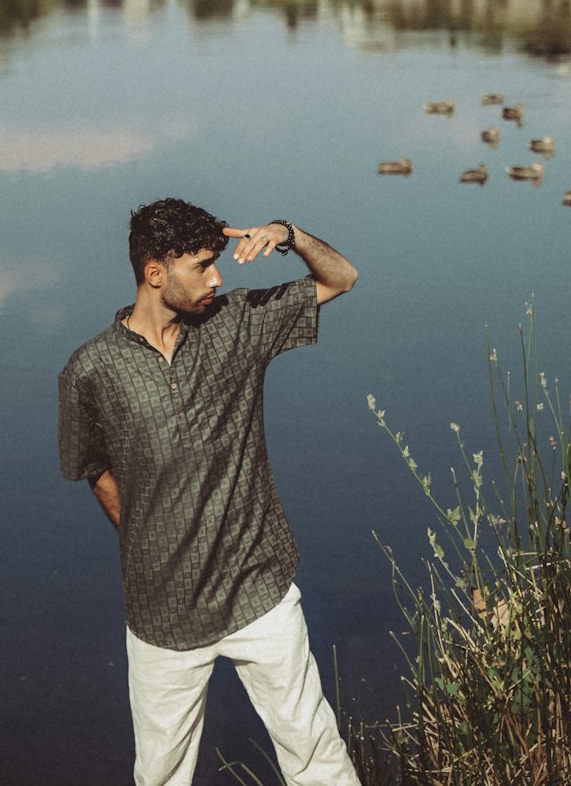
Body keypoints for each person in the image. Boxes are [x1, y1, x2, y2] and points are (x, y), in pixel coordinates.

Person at [58, 197, 361, 786]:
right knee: (162, 774)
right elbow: (93, 467)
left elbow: (341, 279)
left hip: (259, 592)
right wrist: (150, 533)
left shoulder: (238, 323)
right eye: (201, 266)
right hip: (162, 614)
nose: (217, 278)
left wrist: (289, 233)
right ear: (155, 273)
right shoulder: (89, 371)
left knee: (315, 753)